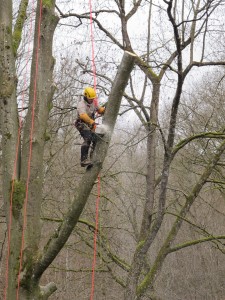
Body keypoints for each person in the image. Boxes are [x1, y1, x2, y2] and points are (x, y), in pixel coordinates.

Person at [75, 87, 105, 167]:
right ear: (85, 96)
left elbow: (99, 109)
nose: (91, 100)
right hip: (81, 123)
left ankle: (92, 158)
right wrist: (92, 122)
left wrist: (103, 110)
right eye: (90, 99)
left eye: (92, 98)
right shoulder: (81, 104)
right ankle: (83, 160)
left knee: (96, 138)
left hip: (90, 124)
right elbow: (83, 115)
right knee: (88, 138)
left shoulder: (93, 102)